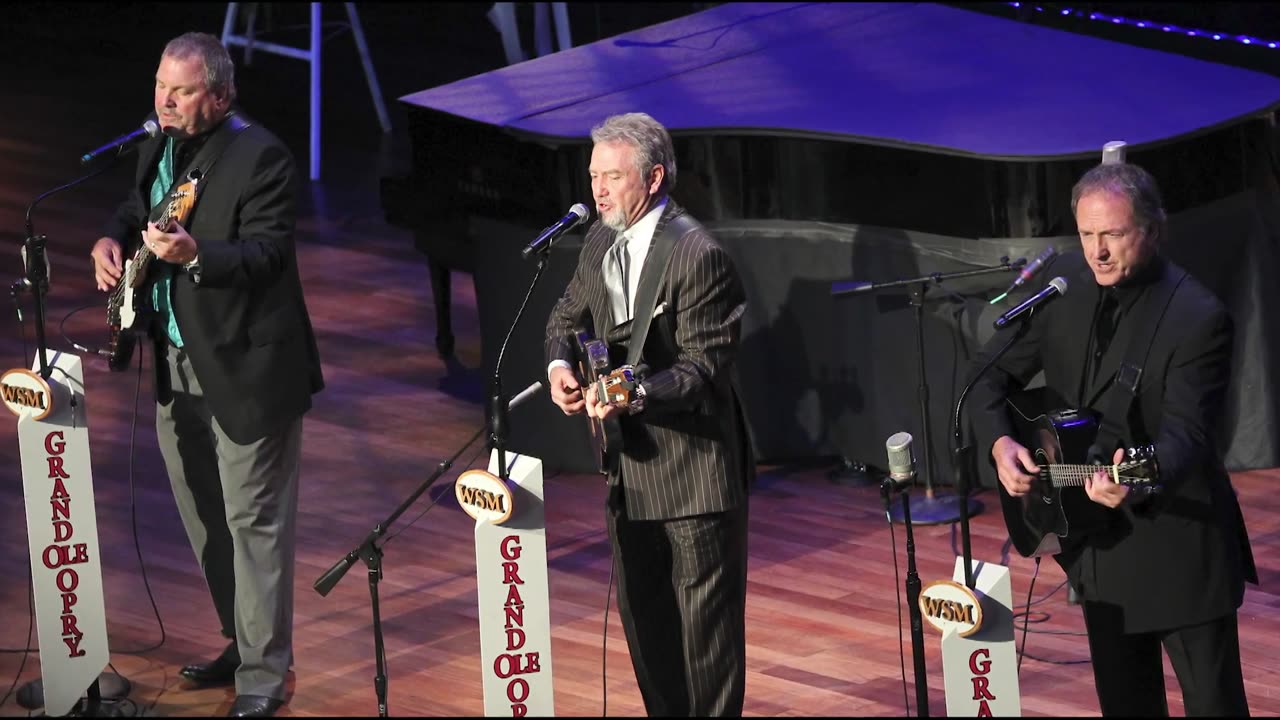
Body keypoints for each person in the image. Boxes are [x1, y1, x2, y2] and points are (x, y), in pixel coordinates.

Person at [89, 32, 323, 719]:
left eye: (182, 90)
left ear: (219, 96)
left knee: (253, 521)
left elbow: (266, 256)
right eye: (161, 85)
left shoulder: (261, 156)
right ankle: (240, 640)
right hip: (175, 361)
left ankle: (263, 673)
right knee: (204, 518)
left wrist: (195, 256)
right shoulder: (156, 143)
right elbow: (135, 212)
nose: (165, 100)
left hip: (247, 366)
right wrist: (110, 238)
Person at [967, 162, 1256, 716]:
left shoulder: (1198, 317)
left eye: (1113, 235)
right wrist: (1000, 444)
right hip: (1097, 549)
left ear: (1150, 229)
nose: (1097, 251)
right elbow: (986, 374)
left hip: (1179, 549)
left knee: (1214, 704)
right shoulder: (1063, 292)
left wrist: (1137, 482)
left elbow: (1188, 437)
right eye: (1086, 234)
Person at [544, 112, 753, 716]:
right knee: (646, 630)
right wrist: (562, 370)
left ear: (654, 178)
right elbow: (565, 319)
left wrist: (633, 394)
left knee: (706, 646)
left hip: (694, 476)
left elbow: (700, 371)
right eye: (593, 177)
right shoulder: (601, 240)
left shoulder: (698, 255)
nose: (598, 191)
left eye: (612, 177)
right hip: (626, 474)